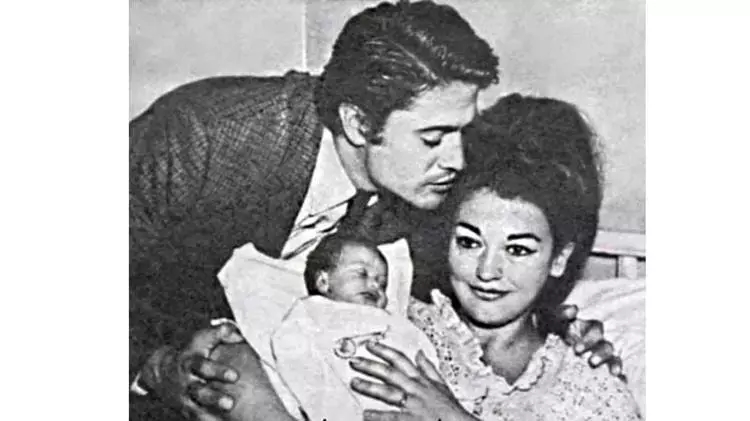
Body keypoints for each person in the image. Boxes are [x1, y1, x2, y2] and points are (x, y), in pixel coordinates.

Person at [129, 2, 623, 420]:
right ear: (358, 123)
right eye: (433, 137)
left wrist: (561, 329)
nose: (457, 159)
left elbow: (491, 278)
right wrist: (153, 366)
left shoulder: (427, 190)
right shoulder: (206, 139)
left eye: (462, 132)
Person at [348, 94, 642, 420]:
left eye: (517, 250)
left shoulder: (592, 395)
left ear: (560, 257)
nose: (487, 271)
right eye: (469, 242)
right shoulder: (392, 318)